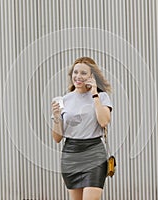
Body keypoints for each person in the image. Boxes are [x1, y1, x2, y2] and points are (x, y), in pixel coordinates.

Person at [51, 57, 113, 200]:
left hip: (94, 153)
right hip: (71, 154)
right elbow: (57, 138)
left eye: (83, 73)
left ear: (92, 77)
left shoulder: (101, 96)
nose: (78, 76)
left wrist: (95, 94)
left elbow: (104, 122)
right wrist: (56, 117)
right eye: (75, 72)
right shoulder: (65, 100)